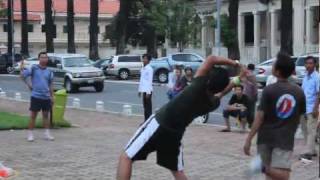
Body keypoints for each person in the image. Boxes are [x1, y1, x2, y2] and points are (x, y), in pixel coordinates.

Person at [116, 55, 240, 180]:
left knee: (126, 157)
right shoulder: (211, 103)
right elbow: (222, 93)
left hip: (159, 123)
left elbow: (211, 59)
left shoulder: (198, 85)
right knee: (177, 171)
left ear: (208, 80)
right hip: (175, 134)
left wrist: (236, 64)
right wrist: (237, 80)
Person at [243, 52, 306, 180]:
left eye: (273, 64)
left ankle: (261, 166)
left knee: (271, 177)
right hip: (284, 140)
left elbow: (259, 117)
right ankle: (261, 167)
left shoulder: (269, 90)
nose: (271, 66)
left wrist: (249, 139)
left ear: (277, 72)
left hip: (264, 138)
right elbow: (300, 117)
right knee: (283, 176)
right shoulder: (298, 92)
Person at [20, 52, 55, 142]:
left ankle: (47, 134)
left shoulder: (49, 71)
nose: (44, 59)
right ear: (39, 59)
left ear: (47, 59)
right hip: (36, 96)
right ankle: (30, 134)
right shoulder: (34, 68)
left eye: (46, 58)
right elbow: (22, 76)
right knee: (33, 116)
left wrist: (52, 96)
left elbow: (51, 84)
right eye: (42, 57)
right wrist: (29, 84)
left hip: (46, 97)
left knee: (46, 116)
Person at [218, 64, 258, 128]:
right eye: (241, 70)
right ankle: (243, 122)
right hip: (243, 97)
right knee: (243, 111)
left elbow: (254, 88)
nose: (242, 71)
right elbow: (230, 87)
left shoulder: (251, 76)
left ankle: (249, 124)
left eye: (243, 70)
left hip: (250, 97)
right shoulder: (238, 78)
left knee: (249, 113)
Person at [300, 56, 320, 161]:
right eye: (307, 63)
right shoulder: (305, 77)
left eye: (310, 63)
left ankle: (308, 152)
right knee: (305, 130)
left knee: (311, 130)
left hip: (312, 108)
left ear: (315, 64)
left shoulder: (317, 77)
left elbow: (318, 94)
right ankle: (312, 150)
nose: (308, 65)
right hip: (304, 108)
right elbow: (303, 92)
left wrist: (316, 108)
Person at [138, 54, 154, 121]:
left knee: (148, 107)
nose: (144, 60)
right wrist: (139, 90)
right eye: (143, 58)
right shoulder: (143, 68)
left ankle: (149, 121)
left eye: (146, 59)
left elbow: (150, 81)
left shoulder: (149, 69)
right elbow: (141, 80)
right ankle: (145, 121)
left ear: (149, 61)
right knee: (145, 107)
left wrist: (148, 92)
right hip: (144, 90)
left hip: (148, 90)